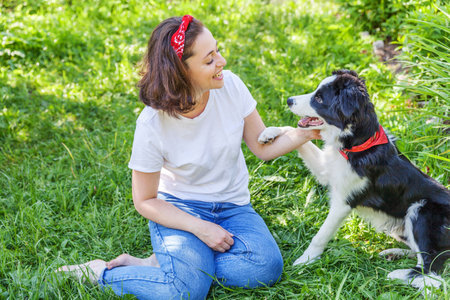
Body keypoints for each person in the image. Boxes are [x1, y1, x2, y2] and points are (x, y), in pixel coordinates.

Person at [57, 15, 320, 299]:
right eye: (209, 60)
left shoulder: (230, 86)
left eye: (217, 50)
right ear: (180, 72)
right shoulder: (152, 124)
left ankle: (168, 266)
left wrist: (305, 133)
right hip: (181, 210)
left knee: (265, 267)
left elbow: (262, 148)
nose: (222, 62)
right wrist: (200, 228)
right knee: (186, 293)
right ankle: (102, 274)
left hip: (234, 206)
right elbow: (144, 200)